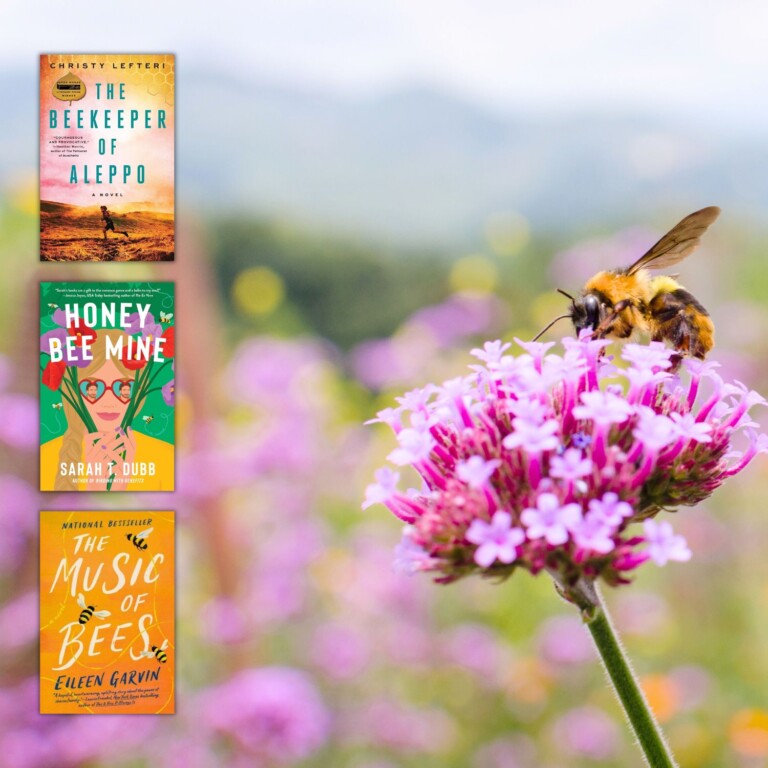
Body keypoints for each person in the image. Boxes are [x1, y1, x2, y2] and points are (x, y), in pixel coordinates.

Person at [40, 329, 173, 491]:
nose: (109, 402)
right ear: (73, 391)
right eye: (92, 387)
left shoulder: (167, 458)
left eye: (124, 387)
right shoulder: (43, 459)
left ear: (140, 391)